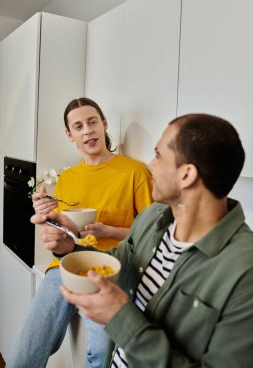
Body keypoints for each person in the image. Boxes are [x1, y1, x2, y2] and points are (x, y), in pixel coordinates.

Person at [32, 113, 253, 367]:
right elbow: (115, 263)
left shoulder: (244, 270)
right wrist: (70, 245)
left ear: (186, 175)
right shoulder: (152, 218)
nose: (150, 164)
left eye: (158, 155)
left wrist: (121, 319)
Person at [6, 98, 153, 368]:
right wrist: (46, 213)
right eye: (78, 126)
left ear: (104, 124)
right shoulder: (67, 178)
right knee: (26, 351)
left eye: (92, 122)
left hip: (111, 270)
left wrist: (109, 230)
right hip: (64, 266)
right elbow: (61, 233)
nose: (87, 130)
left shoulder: (135, 172)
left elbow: (151, 231)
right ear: (70, 135)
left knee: (99, 356)